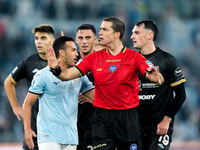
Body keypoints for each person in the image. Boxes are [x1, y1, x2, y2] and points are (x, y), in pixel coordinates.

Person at [47, 17, 164, 150]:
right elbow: (67, 75)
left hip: (128, 118)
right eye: (100, 29)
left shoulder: (134, 57)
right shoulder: (94, 58)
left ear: (116, 34)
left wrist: (157, 78)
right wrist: (55, 69)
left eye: (104, 29)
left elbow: (155, 75)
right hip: (102, 119)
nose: (100, 32)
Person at [23, 36, 95, 150]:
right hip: (49, 136)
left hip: (71, 137)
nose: (77, 54)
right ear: (62, 52)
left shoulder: (80, 77)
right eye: (73, 50)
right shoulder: (43, 75)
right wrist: (27, 130)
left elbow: (97, 97)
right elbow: (27, 103)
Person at [130, 20, 186, 150]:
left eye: (137, 33)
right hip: (135, 127)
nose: (132, 36)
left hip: (159, 127)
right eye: (132, 33)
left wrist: (167, 120)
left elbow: (181, 95)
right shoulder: (130, 61)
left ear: (150, 36)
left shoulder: (168, 60)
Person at [4, 24, 55, 150]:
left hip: (57, 126)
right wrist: (15, 106)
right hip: (35, 126)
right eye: (36, 38)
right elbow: (8, 82)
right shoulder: (28, 63)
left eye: (43, 38)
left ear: (52, 40)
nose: (38, 42)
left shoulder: (62, 61)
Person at [75, 24, 97, 150]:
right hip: (72, 127)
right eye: (81, 37)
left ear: (95, 39)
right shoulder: (69, 62)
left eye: (88, 37)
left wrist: (93, 98)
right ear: (76, 39)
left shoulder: (103, 62)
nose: (84, 41)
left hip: (95, 125)